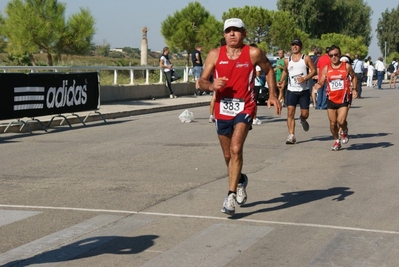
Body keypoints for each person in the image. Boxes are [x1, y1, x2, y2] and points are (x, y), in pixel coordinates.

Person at [199, 18, 281, 215]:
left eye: (236, 30)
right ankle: (241, 179)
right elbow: (201, 81)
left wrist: (272, 95)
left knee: (236, 149)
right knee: (228, 155)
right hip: (222, 108)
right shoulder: (215, 54)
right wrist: (211, 85)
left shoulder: (253, 53)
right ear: (224, 34)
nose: (232, 34)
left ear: (244, 33)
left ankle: (230, 195)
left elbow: (269, 70)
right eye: (228, 31)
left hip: (245, 107)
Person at [314, 45, 358, 151]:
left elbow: (354, 77)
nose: (334, 57)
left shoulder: (346, 66)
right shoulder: (326, 68)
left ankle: (345, 130)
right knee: (333, 123)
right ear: (329, 56)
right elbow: (321, 81)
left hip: (343, 99)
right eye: (331, 55)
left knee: (341, 121)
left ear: (339, 55)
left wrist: (354, 89)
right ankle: (336, 141)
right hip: (331, 99)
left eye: (336, 55)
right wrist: (318, 85)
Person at [278, 38, 316, 144]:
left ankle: (302, 119)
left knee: (305, 113)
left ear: (300, 47)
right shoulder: (287, 60)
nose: (294, 47)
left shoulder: (306, 58)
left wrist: (305, 78)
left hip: (303, 90)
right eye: (293, 45)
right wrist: (281, 81)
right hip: (291, 90)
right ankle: (291, 135)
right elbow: (285, 71)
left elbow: (314, 71)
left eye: (297, 45)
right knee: (290, 113)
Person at [209, 37, 227, 123]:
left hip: (217, 79)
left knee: (214, 96)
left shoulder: (216, 53)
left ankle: (211, 115)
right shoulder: (226, 53)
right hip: (223, 80)